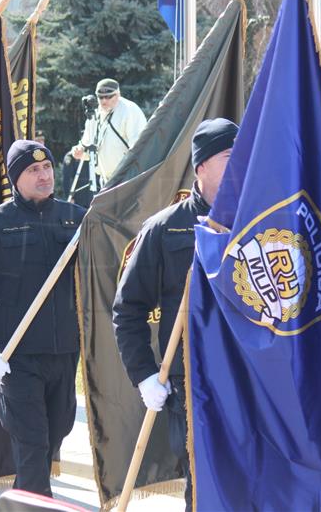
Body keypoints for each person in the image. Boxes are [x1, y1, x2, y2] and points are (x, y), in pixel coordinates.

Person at [113, 118, 238, 511]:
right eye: (230, 157)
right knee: (203, 488)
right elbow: (127, 308)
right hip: (192, 384)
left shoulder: (258, 222)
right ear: (201, 167)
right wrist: (144, 374)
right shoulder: (166, 229)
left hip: (248, 379)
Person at [0, 140, 85, 496]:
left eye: (47, 168)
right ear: (15, 179)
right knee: (33, 445)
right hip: (16, 358)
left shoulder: (77, 218)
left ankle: (20, 501)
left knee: (55, 436)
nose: (43, 175)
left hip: (64, 352)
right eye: (32, 170)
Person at [71, 78, 147, 184]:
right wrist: (79, 152)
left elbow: (139, 147)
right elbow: (88, 148)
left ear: (118, 94)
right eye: (100, 97)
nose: (104, 101)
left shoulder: (129, 110)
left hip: (127, 178)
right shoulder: (94, 115)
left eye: (108, 96)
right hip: (104, 180)